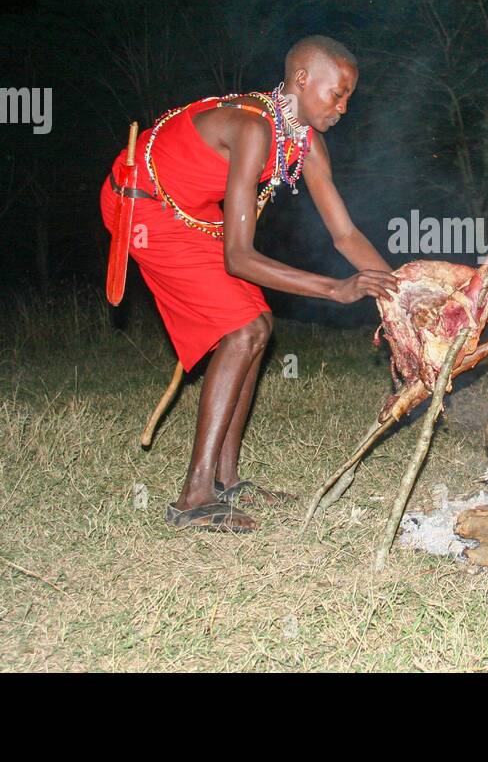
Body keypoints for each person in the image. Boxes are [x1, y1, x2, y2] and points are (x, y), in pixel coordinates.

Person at [100, 35, 397, 532]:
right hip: (144, 206)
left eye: (349, 97)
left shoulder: (305, 143)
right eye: (337, 93)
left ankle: (226, 480)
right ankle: (195, 497)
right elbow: (239, 258)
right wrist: (335, 290)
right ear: (301, 80)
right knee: (244, 329)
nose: (344, 107)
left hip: (191, 213)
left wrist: (405, 294)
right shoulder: (253, 129)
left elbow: (345, 235)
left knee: (258, 324)